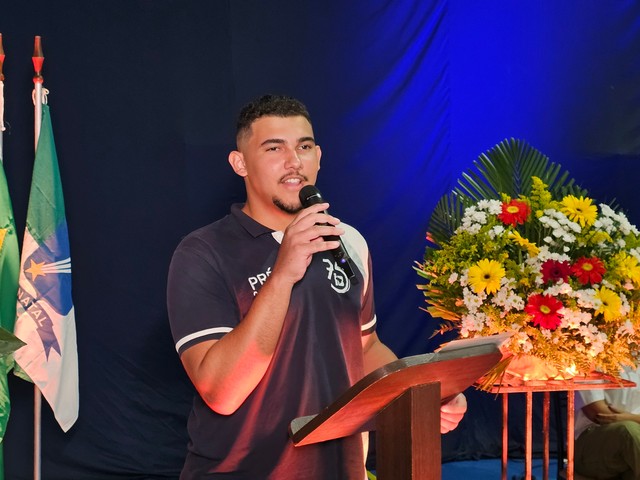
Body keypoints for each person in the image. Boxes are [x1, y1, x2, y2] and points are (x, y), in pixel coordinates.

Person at [167, 94, 467, 479]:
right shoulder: (203, 252)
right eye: (274, 148)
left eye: (304, 147)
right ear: (240, 163)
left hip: (340, 469)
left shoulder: (348, 241)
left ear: (319, 157)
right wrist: (282, 274)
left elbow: (364, 347)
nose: (294, 161)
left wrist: (423, 395)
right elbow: (222, 393)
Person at [574, 366, 640, 479]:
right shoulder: (590, 360)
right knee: (627, 431)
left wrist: (627, 418)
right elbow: (599, 414)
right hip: (594, 444)